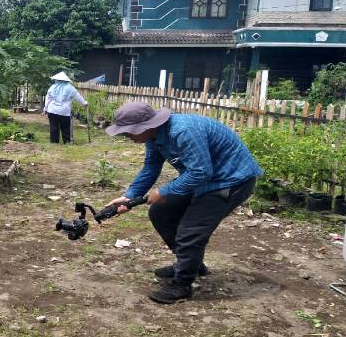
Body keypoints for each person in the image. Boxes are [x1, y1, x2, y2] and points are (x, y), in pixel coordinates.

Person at [104, 102, 263, 304]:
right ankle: (190, 264)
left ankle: (182, 285)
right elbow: (151, 166)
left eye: (129, 132)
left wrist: (165, 190)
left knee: (191, 230)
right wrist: (131, 195)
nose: (127, 136)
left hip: (231, 180)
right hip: (205, 179)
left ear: (147, 126)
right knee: (160, 212)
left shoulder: (183, 131)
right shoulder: (154, 137)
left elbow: (201, 171)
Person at [42, 71, 88, 144]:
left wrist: (45, 108)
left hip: (52, 110)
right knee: (65, 127)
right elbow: (77, 96)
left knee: (53, 126)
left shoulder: (52, 87)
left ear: (57, 79)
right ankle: (66, 142)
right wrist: (84, 103)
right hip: (64, 111)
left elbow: (48, 99)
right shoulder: (70, 88)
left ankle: (54, 142)